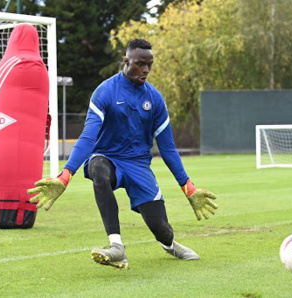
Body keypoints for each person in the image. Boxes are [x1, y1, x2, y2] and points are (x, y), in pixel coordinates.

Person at [27, 38, 218, 269]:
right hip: (108, 158)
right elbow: (88, 137)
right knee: (98, 168)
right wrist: (66, 174)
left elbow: (167, 148)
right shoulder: (105, 92)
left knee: (162, 230)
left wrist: (188, 187)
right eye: (140, 63)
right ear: (126, 61)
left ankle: (170, 245)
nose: (145, 69)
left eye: (149, 64)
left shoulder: (155, 99)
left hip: (139, 166)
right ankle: (116, 247)